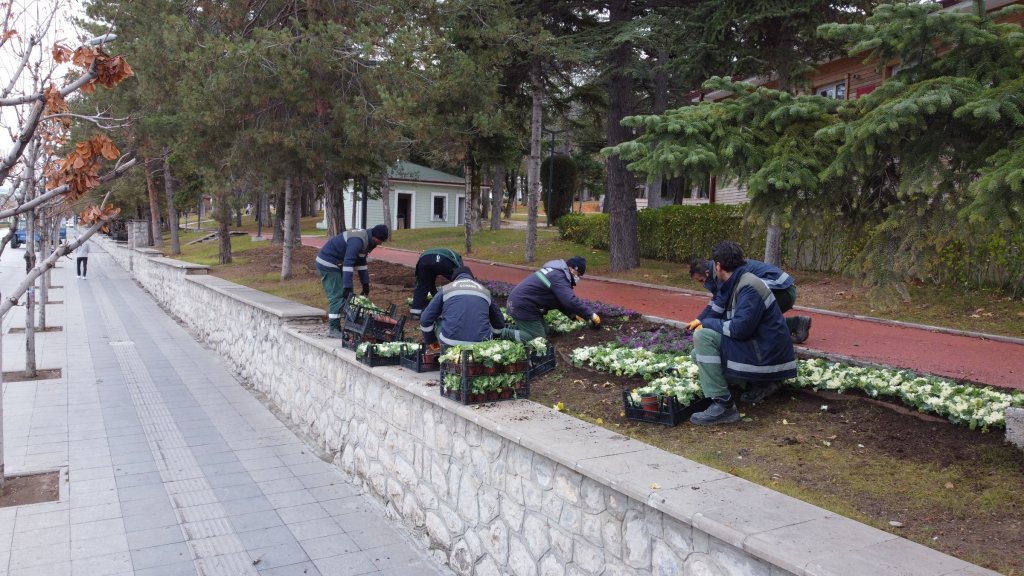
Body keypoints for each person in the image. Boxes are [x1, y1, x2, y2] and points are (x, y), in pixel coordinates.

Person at [687, 241, 798, 425]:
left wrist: (706, 323)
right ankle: (752, 384)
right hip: (761, 348)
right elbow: (720, 309)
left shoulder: (748, 286)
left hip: (765, 355)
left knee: (703, 337)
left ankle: (724, 406)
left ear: (718, 266)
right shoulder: (736, 281)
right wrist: (704, 320)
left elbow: (739, 330)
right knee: (697, 354)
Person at [689, 257, 812, 344]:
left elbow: (720, 304)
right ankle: (797, 323)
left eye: (701, 280)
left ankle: (794, 324)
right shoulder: (717, 271)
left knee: (743, 322)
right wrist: (699, 319)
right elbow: (716, 300)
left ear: (707, 272)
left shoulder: (721, 273)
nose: (702, 285)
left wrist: (706, 324)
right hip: (782, 290)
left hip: (782, 292)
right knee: (746, 321)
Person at [501, 256, 599, 342]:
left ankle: (503, 327)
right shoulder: (559, 276)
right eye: (578, 274)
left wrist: (573, 315)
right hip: (522, 305)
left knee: (546, 331)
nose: (578, 277)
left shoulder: (556, 272)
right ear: (572, 269)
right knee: (538, 339)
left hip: (525, 304)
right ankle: (501, 333)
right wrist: (591, 315)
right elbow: (569, 300)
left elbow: (559, 301)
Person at [316, 224, 389, 338]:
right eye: (380, 241)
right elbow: (348, 263)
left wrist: (365, 284)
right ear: (375, 237)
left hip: (337, 263)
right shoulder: (357, 240)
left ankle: (349, 325)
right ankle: (333, 329)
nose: (380, 244)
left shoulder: (368, 240)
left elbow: (361, 263)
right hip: (328, 263)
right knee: (337, 296)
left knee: (349, 296)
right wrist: (347, 287)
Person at [418, 266, 505, 349]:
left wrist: (431, 341)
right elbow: (499, 323)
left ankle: (443, 354)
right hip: (481, 344)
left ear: (455, 279)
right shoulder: (485, 292)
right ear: (472, 278)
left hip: (450, 343)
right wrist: (493, 339)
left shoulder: (446, 289)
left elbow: (425, 320)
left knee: (438, 321)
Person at [410, 248, 463, 318]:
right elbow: (461, 273)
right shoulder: (456, 257)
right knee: (458, 282)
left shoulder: (448, 253)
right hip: (444, 260)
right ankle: (458, 306)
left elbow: (429, 283)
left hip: (425, 259)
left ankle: (415, 311)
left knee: (423, 285)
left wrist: (435, 295)